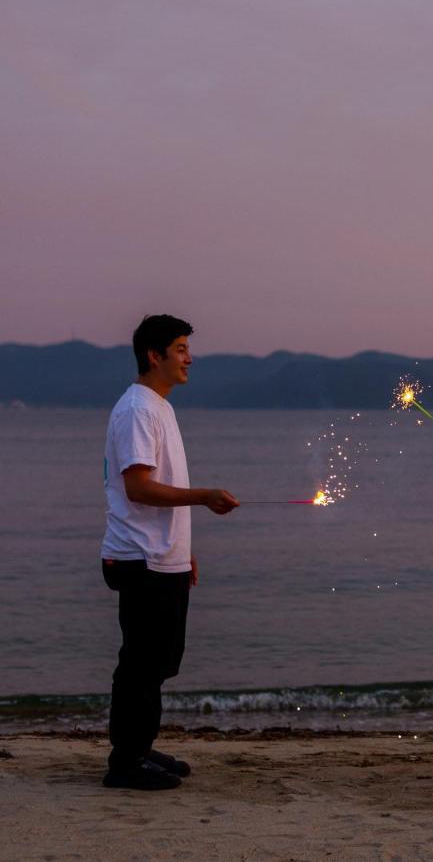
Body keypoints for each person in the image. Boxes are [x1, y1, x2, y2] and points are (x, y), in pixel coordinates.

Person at [99, 314, 239, 790]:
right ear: (153, 356)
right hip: (139, 558)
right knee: (140, 661)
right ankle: (124, 762)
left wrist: (185, 549)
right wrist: (203, 496)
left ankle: (138, 747)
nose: (189, 358)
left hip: (163, 556)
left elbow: (160, 487)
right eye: (180, 349)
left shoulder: (159, 407)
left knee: (159, 661)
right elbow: (138, 488)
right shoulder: (137, 410)